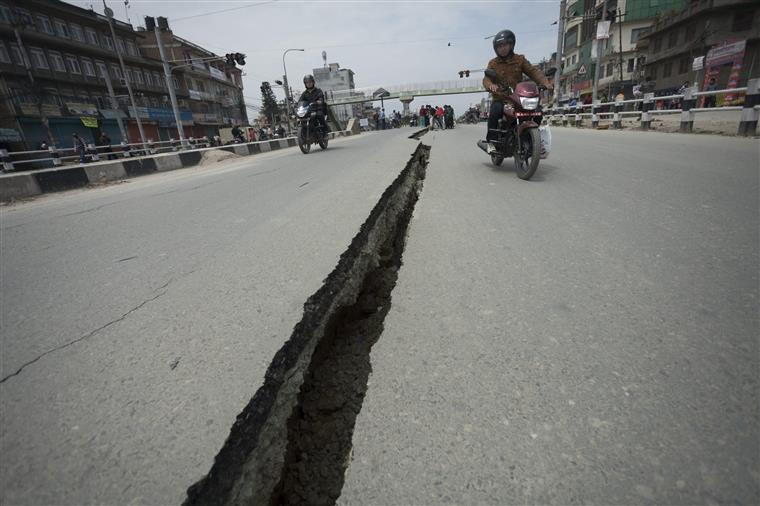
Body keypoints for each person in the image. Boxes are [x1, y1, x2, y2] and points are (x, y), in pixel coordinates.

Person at [481, 29, 553, 153]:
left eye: (505, 45)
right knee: (494, 112)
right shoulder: (493, 63)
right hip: (501, 99)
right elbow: (486, 79)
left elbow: (533, 72)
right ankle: (491, 142)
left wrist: (545, 82)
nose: (502, 48)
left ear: (511, 44)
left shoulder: (520, 60)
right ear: (496, 48)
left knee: (538, 112)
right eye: (499, 46)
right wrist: (491, 85)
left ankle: (531, 140)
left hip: (518, 98)